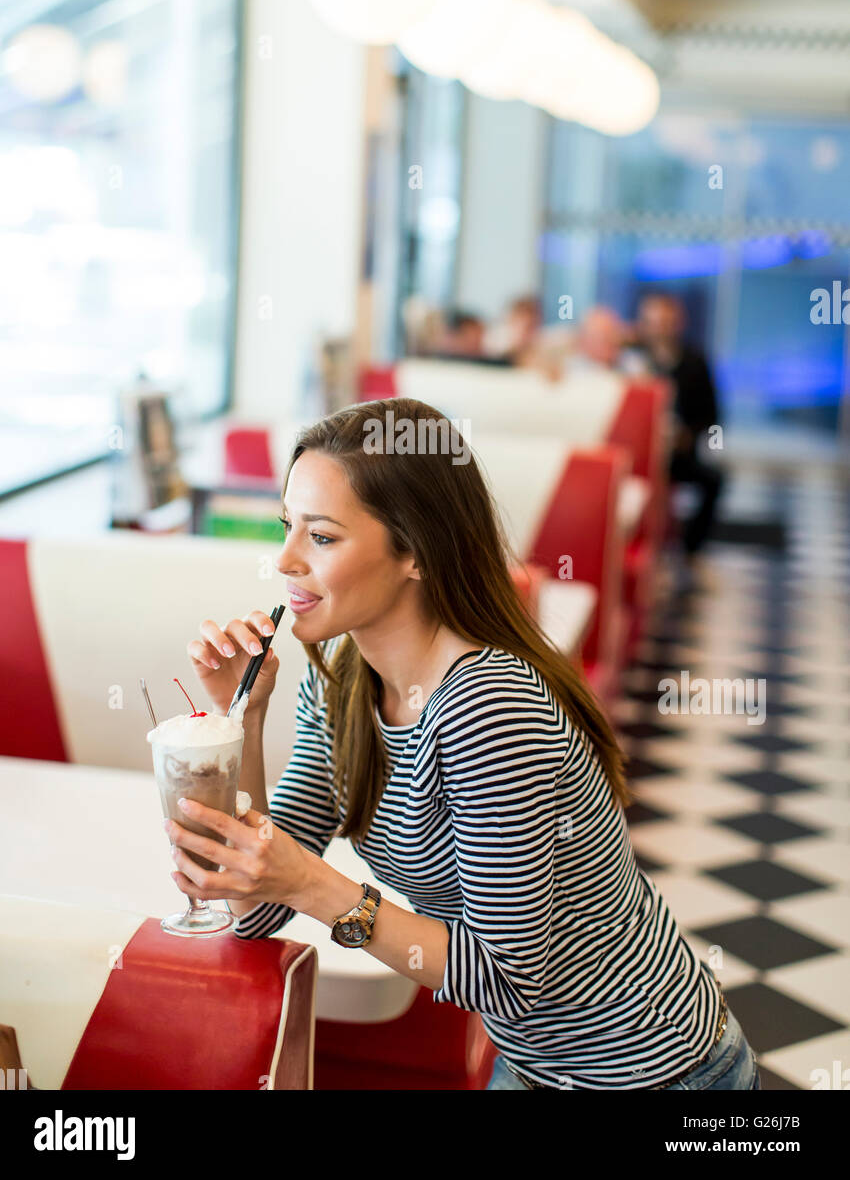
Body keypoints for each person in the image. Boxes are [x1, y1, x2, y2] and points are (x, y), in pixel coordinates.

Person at [170, 396, 760, 1091]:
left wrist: (310, 882)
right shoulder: (339, 682)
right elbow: (258, 907)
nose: (285, 560)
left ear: (415, 552)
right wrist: (242, 718)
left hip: (655, 1070)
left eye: (322, 537)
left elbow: (505, 984)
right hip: (539, 1061)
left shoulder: (487, 706)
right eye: (286, 528)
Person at [636, 294, 724, 556]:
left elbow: (712, 416)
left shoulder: (696, 362)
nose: (658, 329)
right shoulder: (632, 360)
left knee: (714, 481)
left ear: (677, 323)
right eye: (652, 322)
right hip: (638, 457)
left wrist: (687, 436)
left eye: (665, 322)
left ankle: (690, 550)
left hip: (678, 454)